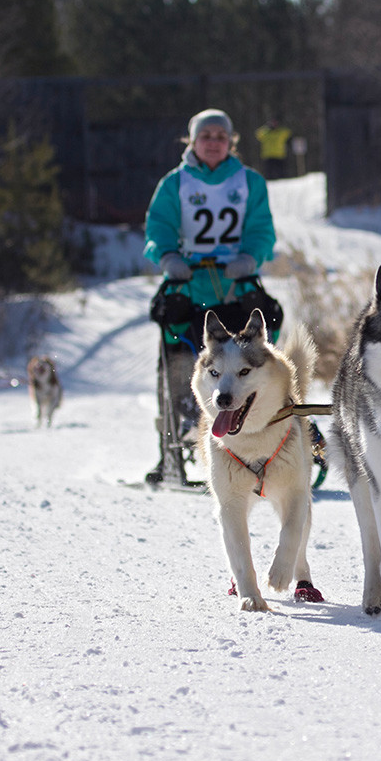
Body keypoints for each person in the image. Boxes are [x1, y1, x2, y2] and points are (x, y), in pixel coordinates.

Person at [143, 108, 278, 484]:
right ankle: (172, 443)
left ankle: (263, 437)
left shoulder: (249, 182)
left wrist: (250, 256)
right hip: (189, 288)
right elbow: (158, 228)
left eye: (221, 136)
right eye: (206, 136)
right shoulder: (175, 184)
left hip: (237, 287)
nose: (214, 143)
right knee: (176, 358)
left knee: (262, 346)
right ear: (192, 141)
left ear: (231, 142)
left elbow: (261, 228)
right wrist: (168, 256)